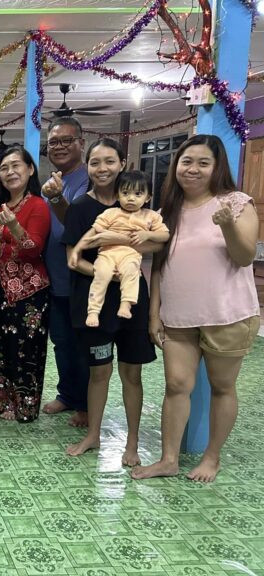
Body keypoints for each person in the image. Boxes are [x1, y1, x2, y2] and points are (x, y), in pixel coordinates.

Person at [132, 135, 260, 483]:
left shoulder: (236, 203)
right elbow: (158, 267)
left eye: (203, 163)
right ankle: (168, 460)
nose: (193, 169)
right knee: (176, 385)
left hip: (227, 314)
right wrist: (154, 314)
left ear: (217, 167)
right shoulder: (167, 213)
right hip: (178, 317)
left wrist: (227, 224)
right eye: (186, 161)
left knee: (222, 386)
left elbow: (244, 256)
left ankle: (211, 458)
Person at [63, 138, 159, 466]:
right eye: (95, 162)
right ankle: (93, 434)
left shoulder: (139, 207)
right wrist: (109, 274)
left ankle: (132, 443)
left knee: (132, 374)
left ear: (122, 163)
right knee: (99, 372)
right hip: (96, 303)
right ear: (87, 167)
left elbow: (158, 244)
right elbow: (73, 259)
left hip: (133, 302)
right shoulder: (80, 208)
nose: (102, 169)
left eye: (109, 161)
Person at [0, 146, 51, 422]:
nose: (10, 172)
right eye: (4, 168)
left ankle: (22, 405)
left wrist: (13, 226)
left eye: (16, 166)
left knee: (24, 349)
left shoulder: (38, 205)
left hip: (29, 290)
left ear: (30, 169)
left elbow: (34, 248)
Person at [40, 118, 91, 426]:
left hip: (82, 277)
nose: (59, 147)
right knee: (62, 341)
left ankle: (86, 404)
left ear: (81, 143)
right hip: (55, 277)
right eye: (53, 142)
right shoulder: (51, 183)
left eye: (66, 140)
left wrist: (57, 197)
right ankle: (67, 395)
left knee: (84, 343)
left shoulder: (89, 179)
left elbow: (76, 225)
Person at [74, 171, 169, 327]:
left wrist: (147, 234)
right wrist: (78, 248)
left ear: (148, 197)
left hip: (130, 254)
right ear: (117, 195)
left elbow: (165, 236)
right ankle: (93, 311)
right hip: (107, 254)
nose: (131, 198)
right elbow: (95, 230)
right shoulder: (111, 213)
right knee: (101, 274)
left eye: (138, 194)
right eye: (125, 193)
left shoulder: (151, 216)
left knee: (131, 272)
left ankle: (126, 304)